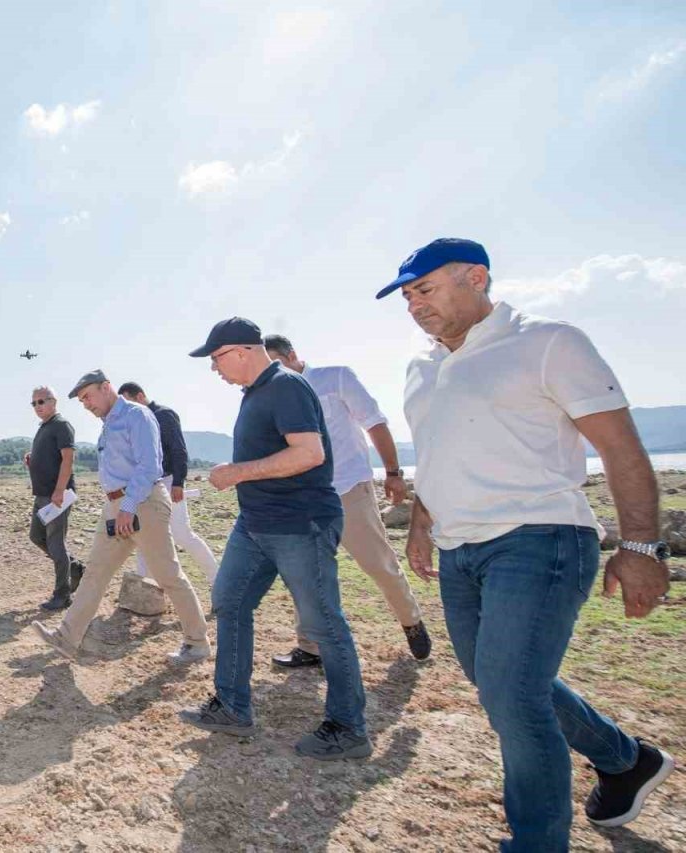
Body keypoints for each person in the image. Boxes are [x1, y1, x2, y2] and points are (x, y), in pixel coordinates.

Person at [381, 237, 674, 850]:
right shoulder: (422, 367)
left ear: (477, 278)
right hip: (463, 553)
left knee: (513, 696)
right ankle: (625, 761)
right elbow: (438, 454)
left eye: (425, 290)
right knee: (500, 683)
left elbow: (619, 445)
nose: (415, 306)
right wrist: (421, 524)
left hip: (540, 538)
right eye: (407, 296)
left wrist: (641, 546)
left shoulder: (547, 342)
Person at [178, 318, 370, 760]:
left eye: (215, 359)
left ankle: (348, 727)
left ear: (240, 351)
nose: (214, 370)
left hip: (300, 525)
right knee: (229, 601)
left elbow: (310, 453)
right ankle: (231, 707)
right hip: (256, 524)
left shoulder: (286, 387)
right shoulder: (255, 393)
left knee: (324, 623)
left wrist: (237, 473)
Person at [261, 335, 431, 665]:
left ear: (293, 355)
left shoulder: (335, 378)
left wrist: (393, 472)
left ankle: (411, 622)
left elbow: (375, 422)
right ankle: (310, 646)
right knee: (304, 573)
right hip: (303, 499)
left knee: (378, 565)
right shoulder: (270, 398)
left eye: (277, 365)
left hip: (349, 489)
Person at [31, 370, 212, 666]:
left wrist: (128, 506)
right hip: (116, 507)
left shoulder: (135, 415)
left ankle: (197, 642)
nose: (86, 404)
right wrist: (119, 507)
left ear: (106, 388)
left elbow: (149, 465)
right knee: (95, 573)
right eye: (81, 401)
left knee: (167, 575)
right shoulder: (107, 424)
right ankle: (67, 638)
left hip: (142, 503)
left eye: (88, 396)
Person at [117, 382, 219, 585]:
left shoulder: (164, 415)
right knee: (144, 536)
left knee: (182, 534)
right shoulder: (135, 421)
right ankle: (146, 588)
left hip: (169, 481)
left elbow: (179, 450)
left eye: (129, 402)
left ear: (140, 396)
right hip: (146, 484)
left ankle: (218, 578)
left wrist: (178, 483)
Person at [23, 385, 85, 610]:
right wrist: (34, 459)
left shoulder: (61, 425)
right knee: (36, 537)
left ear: (53, 402)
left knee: (56, 544)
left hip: (56, 496)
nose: (37, 407)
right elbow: (52, 457)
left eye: (41, 401)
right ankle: (74, 568)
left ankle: (62, 595)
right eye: (34, 403)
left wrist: (59, 490)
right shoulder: (45, 427)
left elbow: (68, 459)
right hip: (42, 495)